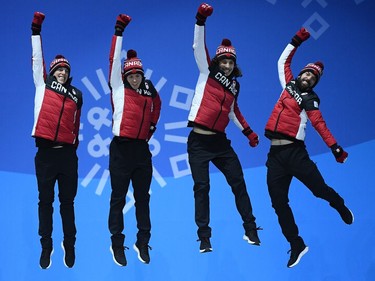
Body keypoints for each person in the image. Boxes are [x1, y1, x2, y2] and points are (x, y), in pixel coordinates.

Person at [264, 27, 354, 268]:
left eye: (313, 78)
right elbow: (283, 60)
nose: (308, 78)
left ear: (314, 83)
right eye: (307, 75)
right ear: (301, 74)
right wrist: (296, 40)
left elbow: (319, 124)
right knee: (278, 202)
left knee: (318, 189)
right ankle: (296, 245)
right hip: (275, 155)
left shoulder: (310, 99)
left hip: (295, 154)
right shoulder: (288, 84)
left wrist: (335, 148)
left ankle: (338, 203)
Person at [187, 3, 261, 253]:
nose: (227, 65)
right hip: (198, 141)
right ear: (217, 61)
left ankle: (250, 229)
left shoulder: (233, 86)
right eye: (224, 60)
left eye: (231, 61)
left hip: (220, 142)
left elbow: (232, 112)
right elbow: (199, 47)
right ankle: (204, 238)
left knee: (238, 182)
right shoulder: (206, 71)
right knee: (202, 188)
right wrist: (200, 20)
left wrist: (248, 132)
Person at [107, 14, 162, 266]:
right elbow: (113, 59)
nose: (135, 78)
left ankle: (143, 242)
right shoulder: (117, 87)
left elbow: (157, 105)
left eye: (138, 75)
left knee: (143, 198)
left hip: (141, 151)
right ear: (124, 76)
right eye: (131, 75)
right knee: (118, 198)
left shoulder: (149, 89)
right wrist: (119, 31)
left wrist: (151, 125)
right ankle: (117, 244)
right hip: (121, 150)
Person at [31, 12, 83, 269]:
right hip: (45, 154)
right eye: (58, 69)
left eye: (65, 69)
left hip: (67, 156)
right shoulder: (42, 84)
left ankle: (69, 244)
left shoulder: (76, 94)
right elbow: (37, 59)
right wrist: (35, 30)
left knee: (67, 202)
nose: (62, 72)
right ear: (51, 71)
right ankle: (46, 245)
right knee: (45, 201)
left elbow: (77, 125)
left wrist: (73, 148)